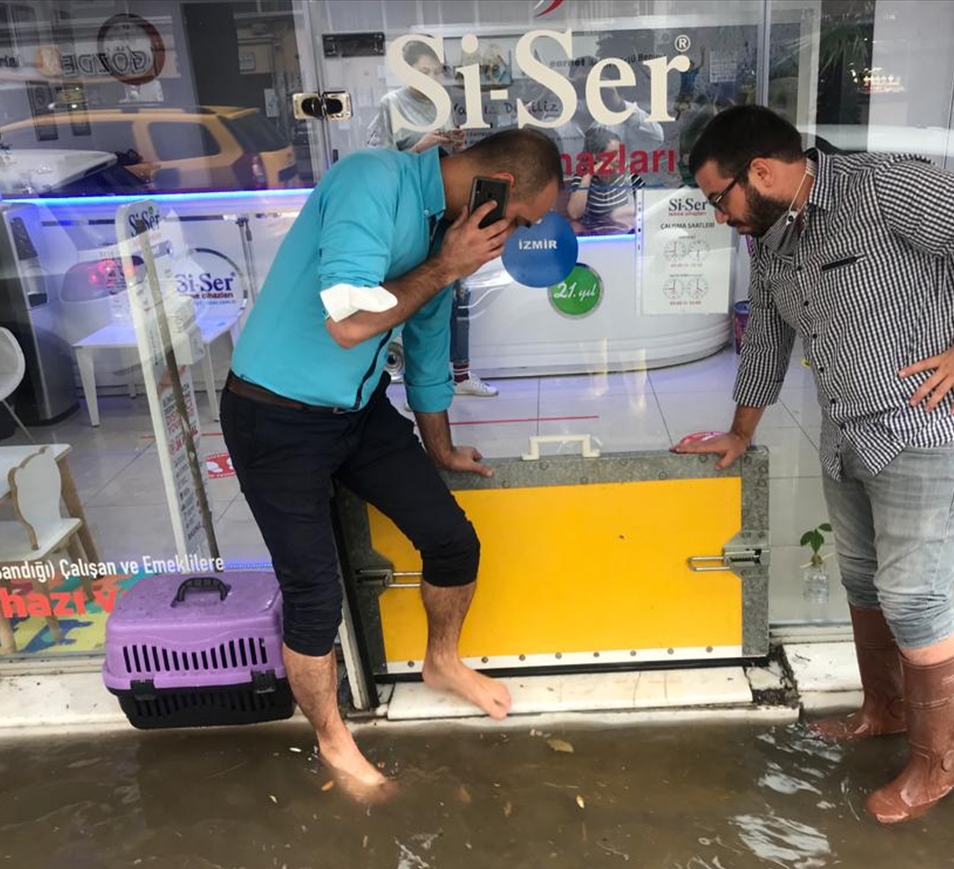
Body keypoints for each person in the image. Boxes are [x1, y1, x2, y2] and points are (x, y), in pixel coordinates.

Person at [675, 106, 954, 824]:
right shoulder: (773, 237)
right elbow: (767, 340)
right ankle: (885, 709)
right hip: (849, 431)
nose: (720, 216)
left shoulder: (881, 190)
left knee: (913, 597)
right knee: (863, 580)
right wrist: (739, 432)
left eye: (720, 198)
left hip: (929, 430)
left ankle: (940, 762)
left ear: (762, 171)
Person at [221, 130, 562, 796]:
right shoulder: (371, 181)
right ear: (499, 182)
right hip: (274, 416)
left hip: (359, 411)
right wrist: (446, 264)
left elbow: (428, 341)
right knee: (315, 596)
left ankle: (442, 662)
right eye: (519, 219)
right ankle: (332, 739)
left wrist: (438, 445)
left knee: (451, 540)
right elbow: (348, 320)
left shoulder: (448, 227)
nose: (514, 234)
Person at [366, 41, 498, 397]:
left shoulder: (442, 102)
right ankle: (413, 383)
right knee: (410, 295)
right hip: (408, 212)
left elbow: (456, 160)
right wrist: (419, 146)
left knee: (456, 294)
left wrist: (456, 144)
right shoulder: (391, 104)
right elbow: (378, 160)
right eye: (422, 71)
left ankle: (459, 375)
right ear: (406, 70)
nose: (429, 78)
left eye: (434, 71)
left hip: (444, 207)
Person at [566, 126, 645, 235]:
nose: (619, 158)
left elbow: (649, 207)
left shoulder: (629, 176)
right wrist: (588, 175)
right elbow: (574, 214)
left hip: (624, 237)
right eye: (613, 154)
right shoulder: (583, 176)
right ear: (596, 157)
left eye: (620, 153)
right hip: (593, 238)